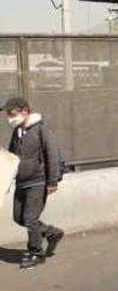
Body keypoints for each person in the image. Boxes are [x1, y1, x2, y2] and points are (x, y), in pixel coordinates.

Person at [3, 98, 65, 270]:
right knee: (19, 218)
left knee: (30, 219)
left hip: (38, 181)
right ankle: (51, 233)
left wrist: (52, 181)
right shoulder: (17, 131)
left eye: (12, 113)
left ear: (24, 111)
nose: (9, 117)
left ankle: (36, 253)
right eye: (8, 113)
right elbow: (12, 157)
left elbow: (52, 154)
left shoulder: (41, 129)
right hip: (21, 181)